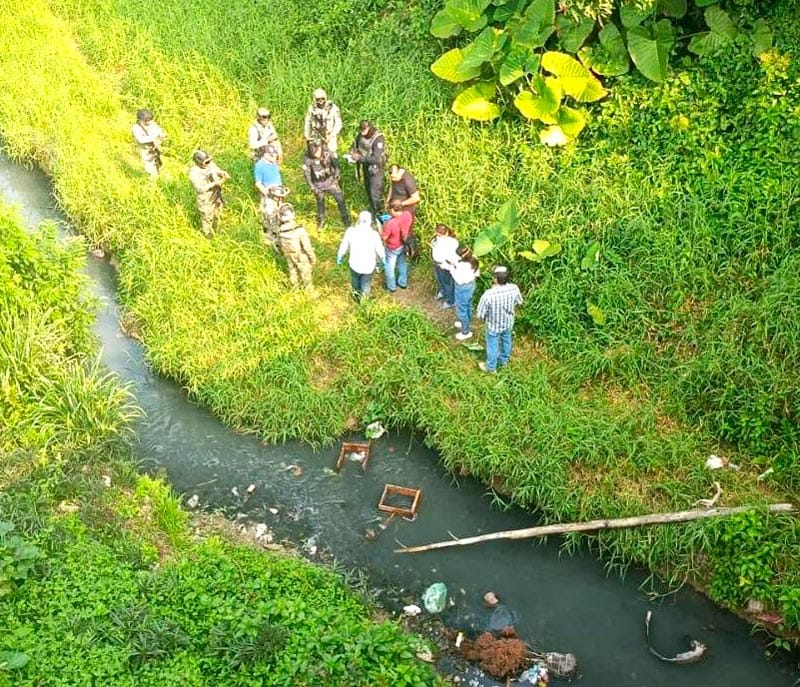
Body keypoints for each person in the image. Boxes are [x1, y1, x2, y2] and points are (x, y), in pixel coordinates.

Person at [476, 265, 524, 373]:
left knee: (493, 346)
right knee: (507, 341)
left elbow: (480, 314)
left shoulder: (488, 295)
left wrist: (485, 318)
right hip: (508, 322)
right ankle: (504, 362)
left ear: (495, 279)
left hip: (493, 326)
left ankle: (491, 368)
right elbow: (519, 302)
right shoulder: (514, 288)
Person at [337, 211, 385, 302]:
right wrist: (383, 258)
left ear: (359, 220)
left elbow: (344, 245)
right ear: (370, 221)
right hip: (368, 266)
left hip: (354, 264)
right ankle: (364, 302)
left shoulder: (350, 231)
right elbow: (380, 249)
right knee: (366, 284)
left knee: (355, 280)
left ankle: (355, 297)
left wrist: (340, 254)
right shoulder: (374, 234)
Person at [302, 141, 350, 229]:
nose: (316, 156)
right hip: (318, 183)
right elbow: (307, 174)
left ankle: (345, 217)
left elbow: (336, 164)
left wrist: (337, 175)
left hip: (330, 180)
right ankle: (321, 220)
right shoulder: (307, 158)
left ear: (319, 148)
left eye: (316, 153)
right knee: (320, 202)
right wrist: (312, 187)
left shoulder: (327, 152)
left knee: (340, 199)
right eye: (313, 154)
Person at [274, 203, 317, 294]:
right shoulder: (299, 230)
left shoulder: (280, 230)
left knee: (292, 271)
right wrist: (312, 258)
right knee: (305, 274)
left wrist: (281, 253)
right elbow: (307, 247)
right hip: (301, 255)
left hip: (288, 254)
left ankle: (294, 289)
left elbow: (277, 244)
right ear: (293, 214)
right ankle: (309, 292)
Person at [348, 120, 387, 217]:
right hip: (366, 167)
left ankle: (379, 215)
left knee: (375, 194)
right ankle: (373, 211)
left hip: (376, 170)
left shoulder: (378, 138)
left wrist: (360, 158)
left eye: (364, 130)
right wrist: (352, 153)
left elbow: (376, 158)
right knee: (368, 190)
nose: (362, 133)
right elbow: (354, 145)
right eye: (361, 130)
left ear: (369, 128)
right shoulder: (360, 135)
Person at [188, 150, 230, 237]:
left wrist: (222, 173)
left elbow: (216, 170)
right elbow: (199, 188)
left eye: (210, 160)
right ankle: (207, 236)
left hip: (216, 195)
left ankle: (216, 232)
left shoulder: (210, 164)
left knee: (217, 214)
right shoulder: (194, 172)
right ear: (199, 163)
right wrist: (214, 184)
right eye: (206, 162)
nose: (209, 163)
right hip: (205, 199)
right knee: (207, 218)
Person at [380, 201, 412, 292]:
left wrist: (383, 226)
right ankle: (403, 283)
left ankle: (391, 286)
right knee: (402, 263)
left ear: (393, 210)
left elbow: (384, 237)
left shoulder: (391, 223)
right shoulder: (407, 214)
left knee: (389, 266)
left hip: (392, 247)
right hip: (404, 245)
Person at [450, 244, 480, 341]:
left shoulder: (462, 266)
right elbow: (477, 274)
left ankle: (465, 331)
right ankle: (467, 322)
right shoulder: (474, 259)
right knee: (468, 305)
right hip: (471, 284)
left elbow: (458, 279)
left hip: (462, 287)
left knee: (461, 308)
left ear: (462, 256)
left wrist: (452, 268)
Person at [304, 88, 343, 155]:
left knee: (332, 156)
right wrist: (307, 136)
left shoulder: (333, 108)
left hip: (330, 136)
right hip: (316, 136)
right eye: (318, 99)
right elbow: (308, 122)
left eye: (322, 98)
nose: (320, 101)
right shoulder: (311, 109)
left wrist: (332, 135)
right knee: (316, 156)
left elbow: (338, 124)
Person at [430, 223, 459, 309]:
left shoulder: (452, 242)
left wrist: (446, 264)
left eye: (441, 233)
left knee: (447, 283)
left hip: (445, 266)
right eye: (438, 233)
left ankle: (451, 301)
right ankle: (443, 292)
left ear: (446, 233)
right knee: (439, 280)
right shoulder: (435, 240)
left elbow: (452, 256)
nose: (439, 235)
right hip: (437, 264)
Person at [132, 108, 166, 178]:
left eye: (149, 120)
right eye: (145, 121)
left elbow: (158, 129)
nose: (148, 123)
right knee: (150, 167)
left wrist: (161, 134)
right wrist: (154, 137)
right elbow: (141, 139)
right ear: (140, 120)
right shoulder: (136, 128)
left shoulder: (151, 123)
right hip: (146, 150)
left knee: (159, 162)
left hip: (155, 147)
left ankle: (160, 174)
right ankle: (153, 180)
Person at [386, 164, 420, 228]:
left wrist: (400, 204)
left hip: (406, 211)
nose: (393, 179)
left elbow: (416, 198)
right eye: (391, 177)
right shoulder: (394, 176)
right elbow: (391, 187)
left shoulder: (408, 181)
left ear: (399, 172)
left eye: (394, 177)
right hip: (395, 209)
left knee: (404, 231)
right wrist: (388, 201)